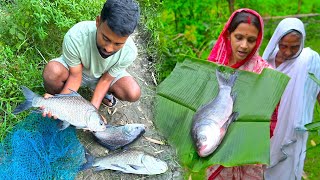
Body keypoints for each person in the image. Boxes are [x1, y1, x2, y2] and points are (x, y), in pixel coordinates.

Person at [206, 8, 277, 179]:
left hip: (248, 150)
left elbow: (270, 115)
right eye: (239, 37)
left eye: (251, 40)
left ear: (258, 41)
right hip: (217, 146)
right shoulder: (216, 66)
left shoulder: (263, 72)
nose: (244, 45)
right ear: (229, 34)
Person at [42, 0, 141, 118]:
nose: (109, 48)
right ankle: (60, 99)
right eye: (105, 38)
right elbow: (75, 76)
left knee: (133, 92)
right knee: (52, 72)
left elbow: (106, 80)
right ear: (98, 22)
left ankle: (100, 94)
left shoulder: (130, 51)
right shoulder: (76, 35)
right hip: (76, 72)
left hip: (103, 76)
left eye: (117, 44)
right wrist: (59, 106)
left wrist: (92, 114)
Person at [262, 18, 320, 180]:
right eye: (283, 46)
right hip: (268, 123)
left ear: (301, 43)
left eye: (294, 47)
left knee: (286, 166)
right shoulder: (268, 60)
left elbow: (317, 90)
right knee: (263, 164)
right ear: (277, 40)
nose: (287, 52)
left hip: (293, 125)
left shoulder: (309, 60)